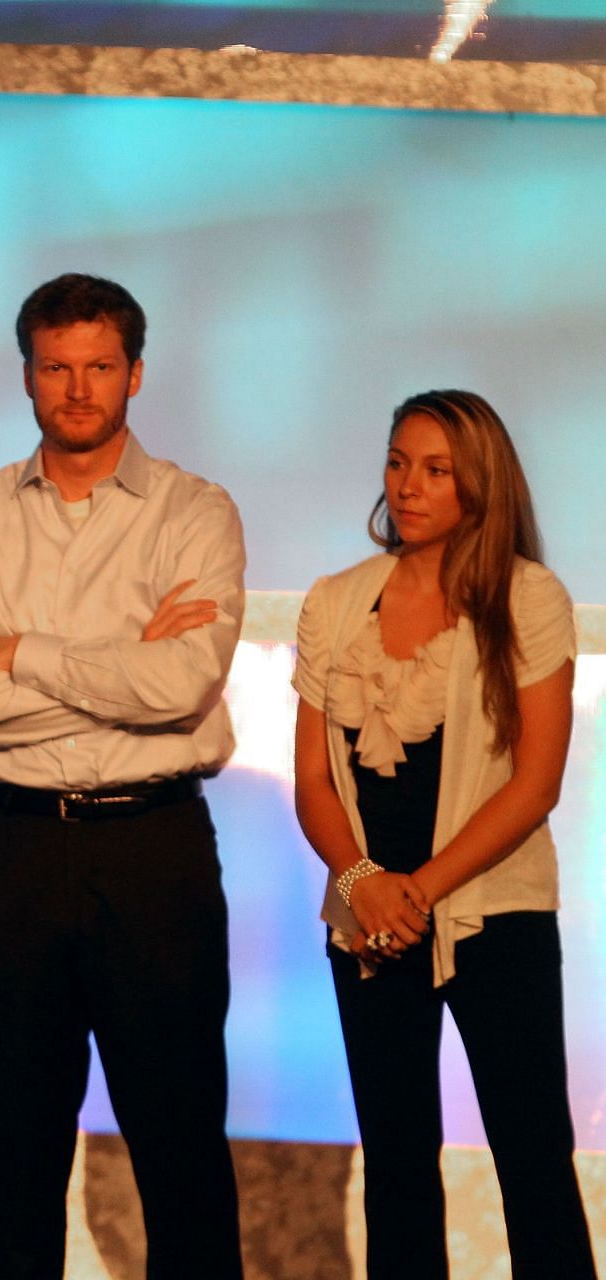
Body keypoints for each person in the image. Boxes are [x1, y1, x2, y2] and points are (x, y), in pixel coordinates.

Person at [0, 274, 246, 1278]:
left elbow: (184, 683)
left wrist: (26, 651)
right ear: (27, 376)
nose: (79, 386)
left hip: (155, 847)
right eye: (57, 366)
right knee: (16, 1158)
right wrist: (121, 662)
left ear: (136, 373)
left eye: (100, 365)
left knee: (182, 1151)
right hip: (14, 850)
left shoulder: (196, 510)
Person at [292, 390, 593, 1279]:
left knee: (532, 1155)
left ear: (480, 481)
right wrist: (362, 884)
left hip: (494, 916)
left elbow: (536, 782)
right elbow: (312, 778)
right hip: (366, 921)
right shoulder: (337, 601)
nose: (410, 486)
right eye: (398, 462)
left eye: (435, 469)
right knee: (395, 1165)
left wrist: (417, 890)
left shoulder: (527, 597)